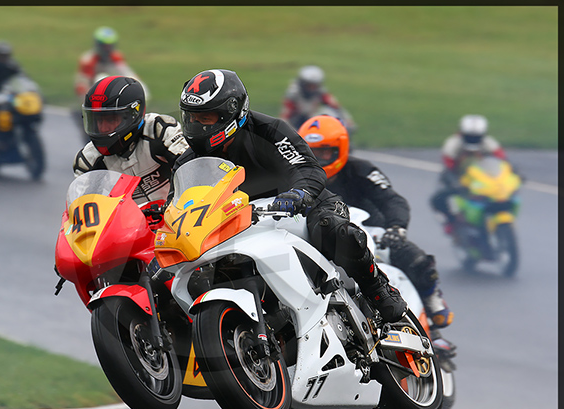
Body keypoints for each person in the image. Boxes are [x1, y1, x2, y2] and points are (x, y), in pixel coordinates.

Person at [171, 69, 406, 324]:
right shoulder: (188, 161)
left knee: (335, 232)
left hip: (302, 209)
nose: (197, 126)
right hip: (239, 226)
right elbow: (180, 203)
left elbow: (308, 168)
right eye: (192, 118)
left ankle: (378, 288)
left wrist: (298, 194)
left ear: (231, 111)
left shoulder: (269, 131)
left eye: (206, 117)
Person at [298, 114, 454, 333]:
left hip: (370, 232)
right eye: (312, 152)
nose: (319, 158)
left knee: (416, 259)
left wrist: (396, 227)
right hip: (319, 235)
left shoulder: (362, 170)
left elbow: (392, 199)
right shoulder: (296, 175)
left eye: (324, 152)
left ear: (340, 149)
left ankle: (431, 300)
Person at [72, 76, 189, 210]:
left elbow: (191, 169)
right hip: (128, 229)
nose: (103, 128)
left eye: (110, 120)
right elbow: (82, 214)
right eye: (98, 120)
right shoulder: (87, 161)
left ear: (133, 114)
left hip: (178, 218)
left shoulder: (160, 130)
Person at [431, 114, 507, 233]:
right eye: (470, 136)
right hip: (459, 179)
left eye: (476, 137)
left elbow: (502, 162)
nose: (473, 140)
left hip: (485, 179)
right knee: (438, 199)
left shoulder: (489, 143)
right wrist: (456, 183)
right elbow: (449, 167)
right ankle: (450, 222)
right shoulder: (452, 144)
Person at [74, 27, 148, 104]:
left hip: (111, 89)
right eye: (104, 46)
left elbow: (127, 73)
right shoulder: (88, 60)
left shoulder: (116, 57)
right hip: (92, 94)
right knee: (101, 78)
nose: (107, 49)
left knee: (139, 85)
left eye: (109, 46)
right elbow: (81, 85)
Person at [280, 65, 354, 132]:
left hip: (312, 120)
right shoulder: (293, 94)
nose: (312, 88)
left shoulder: (320, 91)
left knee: (327, 113)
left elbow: (336, 107)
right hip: (296, 123)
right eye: (309, 85)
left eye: (315, 85)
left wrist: (347, 121)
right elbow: (285, 116)